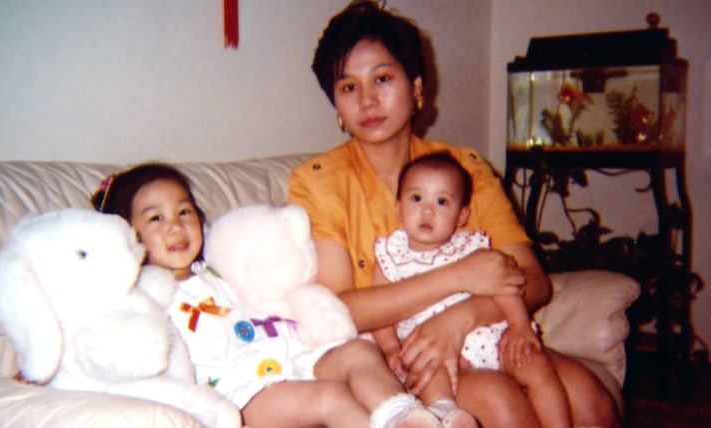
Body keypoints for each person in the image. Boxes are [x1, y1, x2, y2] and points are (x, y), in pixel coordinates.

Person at [288, 1, 619, 426]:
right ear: (335, 103)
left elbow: (533, 282)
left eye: (383, 78)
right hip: (392, 357)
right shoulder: (318, 182)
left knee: (592, 401)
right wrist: (457, 278)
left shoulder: (466, 170)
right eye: (348, 87)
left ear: (417, 87)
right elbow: (336, 311)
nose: (367, 99)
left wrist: (459, 318)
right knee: (500, 400)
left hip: (482, 333)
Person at [91, 162, 448, 428]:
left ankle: (400, 415)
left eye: (184, 211)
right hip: (238, 395)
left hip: (288, 363)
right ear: (127, 235)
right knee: (330, 397)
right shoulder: (141, 296)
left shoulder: (219, 271)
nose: (176, 226)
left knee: (359, 350)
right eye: (155, 218)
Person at [372, 151, 571, 428]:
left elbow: (505, 287)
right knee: (428, 373)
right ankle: (447, 413)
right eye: (416, 198)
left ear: (462, 214)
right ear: (397, 207)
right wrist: (391, 347)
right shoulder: (390, 256)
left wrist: (519, 325)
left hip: (491, 337)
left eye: (442, 201)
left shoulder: (471, 248)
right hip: (432, 349)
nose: (427, 210)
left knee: (538, 367)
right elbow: (382, 312)